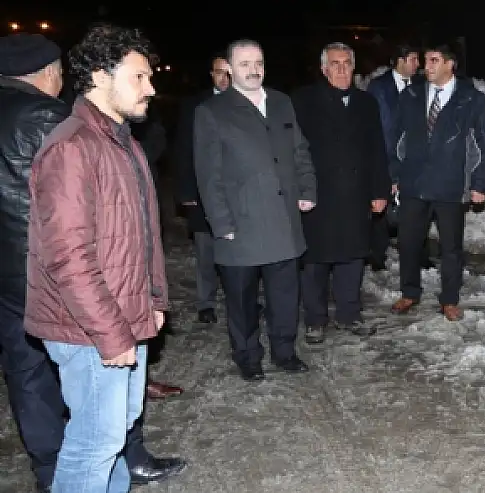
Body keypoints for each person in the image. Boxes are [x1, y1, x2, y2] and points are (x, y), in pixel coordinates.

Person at [22, 24, 185, 492]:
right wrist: (112, 334)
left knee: (114, 435)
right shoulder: (73, 147)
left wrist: (153, 299)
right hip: (89, 328)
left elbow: (141, 236)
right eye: (139, 77)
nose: (151, 88)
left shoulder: (120, 141)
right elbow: (68, 257)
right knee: (93, 444)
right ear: (99, 76)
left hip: (119, 316)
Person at [193, 39, 317, 381]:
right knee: (242, 300)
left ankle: (284, 350)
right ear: (230, 69)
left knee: (284, 295)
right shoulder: (212, 112)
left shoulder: (281, 102)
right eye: (245, 63)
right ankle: (247, 355)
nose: (254, 69)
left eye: (258, 62)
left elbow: (300, 151)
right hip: (240, 224)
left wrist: (307, 189)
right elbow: (208, 174)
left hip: (283, 220)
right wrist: (221, 223)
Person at [291, 43, 391, 343]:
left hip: (355, 194)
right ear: (324, 69)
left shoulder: (366, 103)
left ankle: (349, 314)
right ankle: (315, 319)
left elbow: (377, 149)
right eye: (335, 64)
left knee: (352, 257)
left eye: (347, 63)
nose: (342, 69)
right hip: (318, 195)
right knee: (316, 261)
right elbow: (294, 151)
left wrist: (379, 190)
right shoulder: (303, 101)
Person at [389, 44, 485, 321]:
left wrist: (480, 184)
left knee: (451, 248)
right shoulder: (410, 95)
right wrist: (394, 175)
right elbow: (396, 139)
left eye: (434, 60)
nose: (427, 66)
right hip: (414, 183)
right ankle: (409, 291)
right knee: (409, 243)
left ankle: (449, 299)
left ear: (450, 64)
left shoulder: (472, 100)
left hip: (451, 185)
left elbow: (483, 145)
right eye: (426, 60)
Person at [174, 54, 231, 323]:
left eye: (228, 72)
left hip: (238, 193)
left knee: (240, 250)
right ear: (211, 74)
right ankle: (206, 301)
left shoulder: (249, 103)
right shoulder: (195, 105)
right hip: (202, 190)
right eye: (219, 72)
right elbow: (184, 149)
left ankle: (245, 299)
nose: (224, 78)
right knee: (206, 250)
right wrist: (186, 192)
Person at [366, 45, 432, 270]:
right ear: (400, 61)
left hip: (414, 157)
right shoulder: (379, 87)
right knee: (383, 206)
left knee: (418, 205)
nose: (417, 64)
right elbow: (379, 126)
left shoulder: (422, 84)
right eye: (413, 59)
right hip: (385, 154)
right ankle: (377, 253)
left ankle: (419, 253)